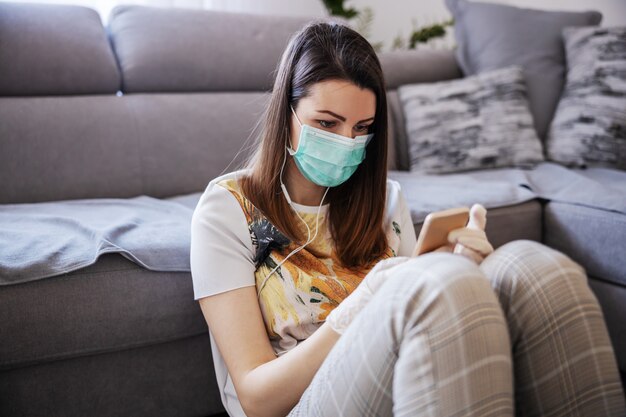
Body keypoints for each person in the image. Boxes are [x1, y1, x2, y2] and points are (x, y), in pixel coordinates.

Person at [190, 21, 625, 417]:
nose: (347, 143)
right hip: (300, 405)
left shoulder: (382, 201)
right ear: (285, 113)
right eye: (327, 123)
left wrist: (458, 268)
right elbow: (256, 398)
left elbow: (425, 310)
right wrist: (363, 305)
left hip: (393, 384)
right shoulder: (227, 209)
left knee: (534, 268)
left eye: (363, 129)